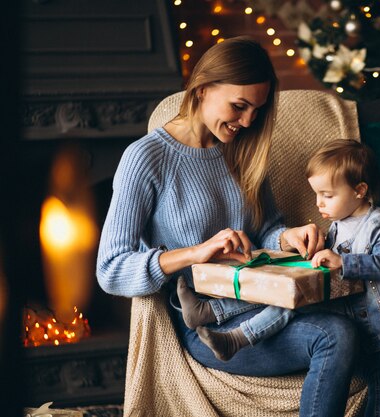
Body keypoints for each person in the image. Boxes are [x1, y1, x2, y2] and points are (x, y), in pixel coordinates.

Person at [96, 36, 359, 417]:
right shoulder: (145, 158)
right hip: (207, 324)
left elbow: (265, 229)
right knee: (337, 335)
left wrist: (288, 236)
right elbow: (110, 270)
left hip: (264, 298)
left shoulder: (242, 148)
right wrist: (196, 253)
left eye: (257, 109)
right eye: (239, 106)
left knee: (366, 318)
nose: (248, 120)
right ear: (202, 89)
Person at [178, 139, 380, 417]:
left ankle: (227, 327)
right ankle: (215, 315)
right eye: (316, 194)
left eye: (327, 195)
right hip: (348, 314)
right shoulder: (339, 223)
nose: (318, 203)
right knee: (287, 297)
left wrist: (342, 261)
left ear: (360, 190)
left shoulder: (377, 223)